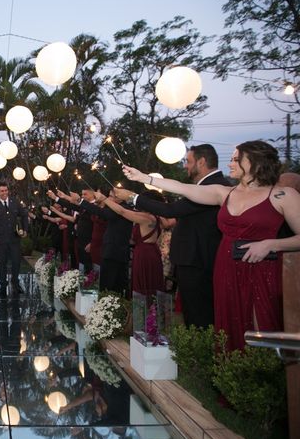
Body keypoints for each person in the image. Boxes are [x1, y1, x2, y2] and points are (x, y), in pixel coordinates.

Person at [122, 140, 300, 350]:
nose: (230, 163)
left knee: (260, 322)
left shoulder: (283, 195)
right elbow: (182, 188)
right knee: (226, 322)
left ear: (254, 162)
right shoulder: (224, 193)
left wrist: (271, 244)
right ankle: (227, 373)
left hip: (261, 269)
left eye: (236, 159)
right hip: (225, 267)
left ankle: (260, 376)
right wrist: (144, 177)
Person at [114, 144, 229, 327]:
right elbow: (178, 189)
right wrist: (143, 177)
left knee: (200, 316)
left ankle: (203, 352)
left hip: (199, 261)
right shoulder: (205, 186)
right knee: (192, 314)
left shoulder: (214, 187)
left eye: (188, 161)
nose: (185, 166)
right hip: (193, 260)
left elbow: (171, 209)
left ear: (201, 162)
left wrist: (133, 197)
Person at [51, 188, 133, 296]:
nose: (108, 198)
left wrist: (80, 200)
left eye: (111, 196)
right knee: (100, 275)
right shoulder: (107, 208)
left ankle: (107, 301)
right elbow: (77, 206)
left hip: (114, 250)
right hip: (104, 247)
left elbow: (101, 213)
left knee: (112, 281)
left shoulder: (122, 209)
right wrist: (58, 198)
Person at [94, 189, 170, 295]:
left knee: (142, 283)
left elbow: (122, 211)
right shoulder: (157, 218)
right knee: (151, 282)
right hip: (152, 253)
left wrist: (104, 199)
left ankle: (144, 308)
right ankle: (152, 308)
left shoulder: (146, 217)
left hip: (144, 254)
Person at [0, 182, 29, 296]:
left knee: (16, 262)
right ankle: (3, 285)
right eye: (2, 191)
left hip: (15, 239)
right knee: (2, 263)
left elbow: (24, 215)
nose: (4, 193)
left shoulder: (15, 202)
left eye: (6, 190)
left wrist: (25, 230)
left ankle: (15, 283)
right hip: (1, 241)